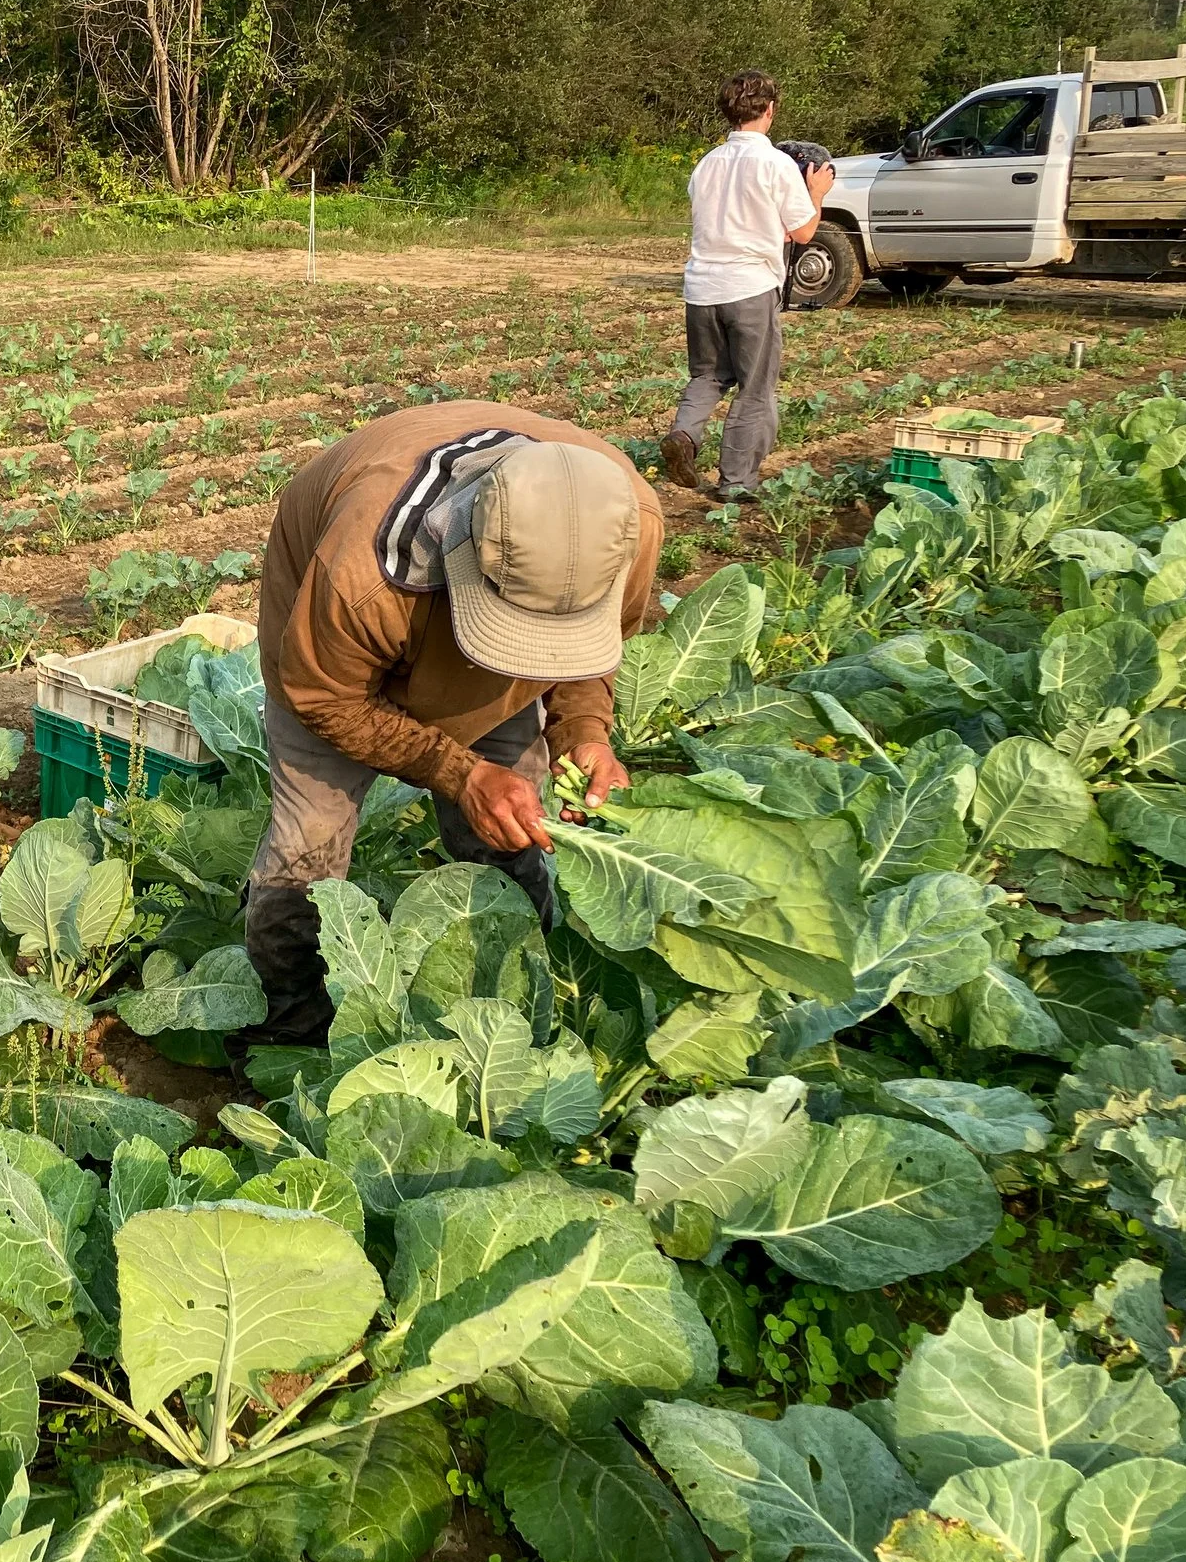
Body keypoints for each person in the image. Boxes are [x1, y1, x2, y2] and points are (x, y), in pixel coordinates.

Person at [244, 401, 661, 1043]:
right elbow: (324, 698)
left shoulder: (629, 529)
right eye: (523, 628)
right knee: (308, 847)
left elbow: (592, 648)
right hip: (335, 659)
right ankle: (289, 1029)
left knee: (514, 831)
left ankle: (520, 1001)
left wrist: (584, 733)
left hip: (458, 614)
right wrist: (460, 773)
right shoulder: (360, 572)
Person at [662, 68, 835, 504]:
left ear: (728, 111)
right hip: (750, 289)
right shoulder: (776, 164)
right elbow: (802, 233)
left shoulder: (707, 164)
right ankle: (736, 482)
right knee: (755, 387)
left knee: (708, 375)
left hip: (701, 288)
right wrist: (816, 192)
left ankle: (683, 434)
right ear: (770, 110)